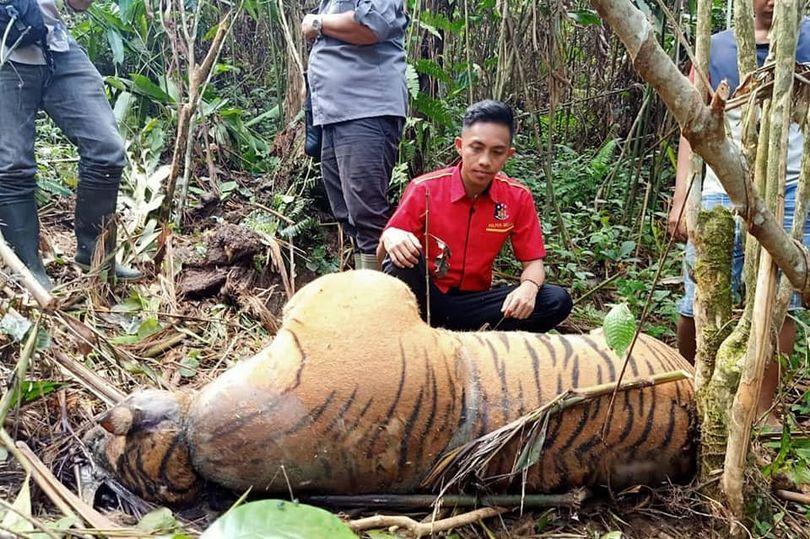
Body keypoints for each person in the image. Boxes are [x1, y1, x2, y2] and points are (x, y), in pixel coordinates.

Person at [669, 0, 810, 416]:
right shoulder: (712, 48)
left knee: (780, 305)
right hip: (719, 190)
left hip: (790, 194)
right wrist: (683, 197)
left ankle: (760, 416)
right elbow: (690, 126)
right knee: (698, 296)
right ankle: (694, 393)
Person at [379, 100, 572, 332]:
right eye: (476, 148)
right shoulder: (424, 189)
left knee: (555, 300)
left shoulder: (517, 196)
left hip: (476, 303)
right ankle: (407, 336)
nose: (484, 161)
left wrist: (529, 288)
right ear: (460, 146)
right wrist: (390, 236)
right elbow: (384, 259)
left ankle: (486, 344)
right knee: (402, 258)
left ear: (508, 154)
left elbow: (533, 263)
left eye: (497, 152)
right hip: (426, 297)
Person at [0, 0, 140, 290]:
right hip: (6, 50)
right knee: (13, 165)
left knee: (106, 148)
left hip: (56, 47)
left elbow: (78, 4)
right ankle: (29, 271)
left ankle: (96, 256)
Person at [302, 0, 408, 270]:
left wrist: (318, 23)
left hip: (365, 107)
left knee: (367, 212)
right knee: (347, 212)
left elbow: (372, 24)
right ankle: (366, 284)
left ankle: (380, 298)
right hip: (333, 112)